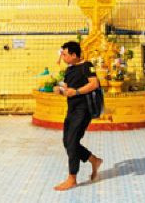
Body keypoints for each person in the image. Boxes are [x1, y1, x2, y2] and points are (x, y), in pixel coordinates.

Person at [52, 41, 102, 191]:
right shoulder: (70, 69)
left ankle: (72, 178)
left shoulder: (87, 66)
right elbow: (68, 88)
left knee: (72, 141)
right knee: (67, 142)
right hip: (72, 109)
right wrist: (59, 89)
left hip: (83, 110)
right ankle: (94, 160)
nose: (63, 57)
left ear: (74, 55)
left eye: (65, 54)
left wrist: (77, 92)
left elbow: (95, 84)